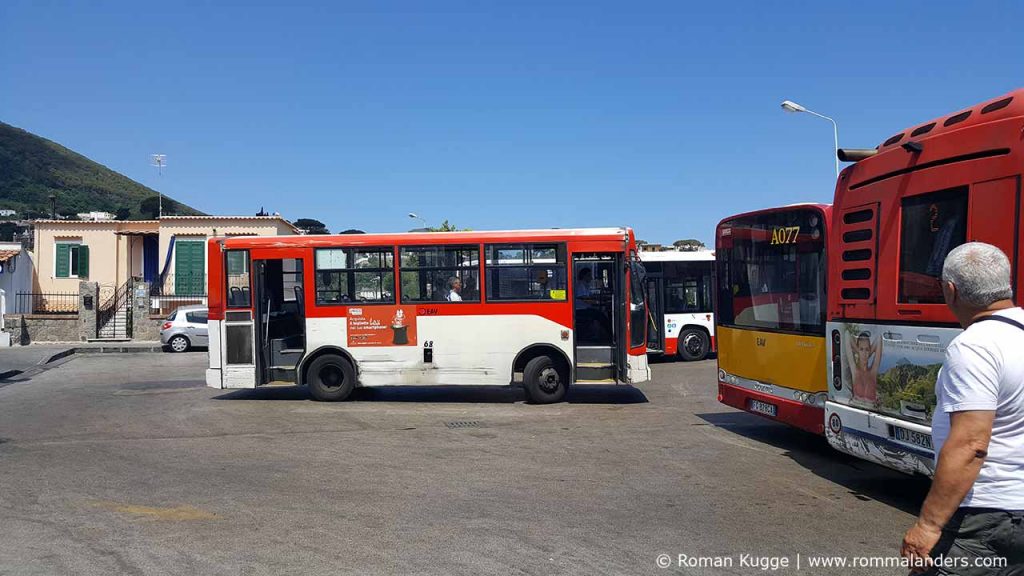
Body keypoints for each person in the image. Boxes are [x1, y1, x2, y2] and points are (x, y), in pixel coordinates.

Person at [901, 242, 1024, 575]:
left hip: (984, 516)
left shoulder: (975, 345)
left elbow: (971, 444)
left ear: (950, 291)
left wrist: (927, 526)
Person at [848, 331, 882, 404]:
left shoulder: (873, 372)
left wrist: (863, 353)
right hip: (857, 410)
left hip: (871, 411)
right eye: (861, 349)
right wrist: (859, 353)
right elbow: (847, 335)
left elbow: (879, 338)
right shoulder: (855, 371)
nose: (864, 353)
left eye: (867, 349)